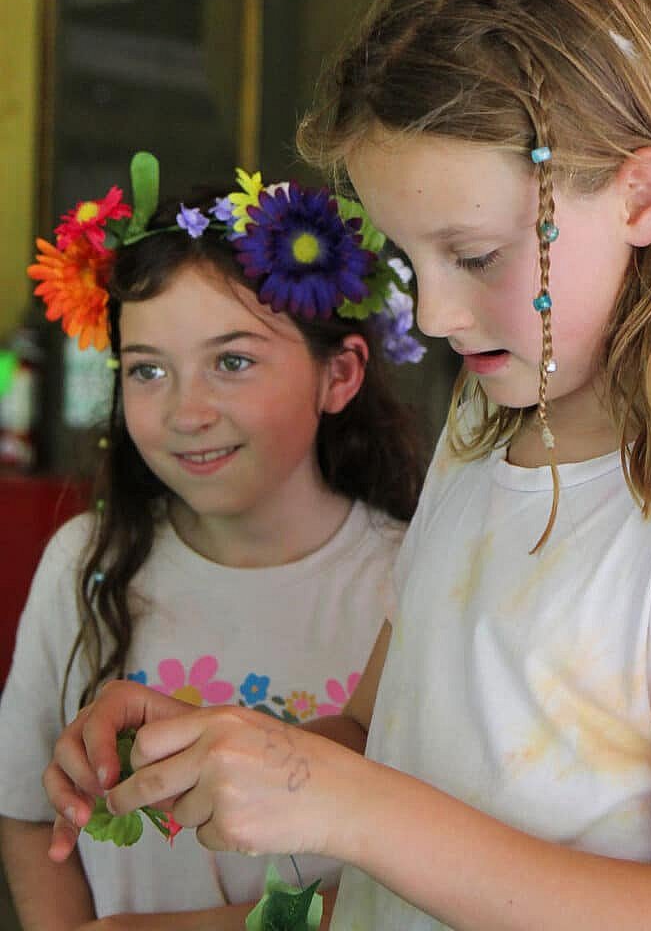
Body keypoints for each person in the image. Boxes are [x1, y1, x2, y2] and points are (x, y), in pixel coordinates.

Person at [43, 0, 651, 929]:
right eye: (408, 261)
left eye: (475, 256)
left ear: (642, 197)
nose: (433, 315)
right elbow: (384, 740)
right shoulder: (486, 429)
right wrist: (232, 747)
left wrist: (340, 800)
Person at [0, 155, 425, 929]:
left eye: (232, 362)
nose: (185, 412)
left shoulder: (412, 585)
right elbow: (29, 811)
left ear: (341, 374)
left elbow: (434, 877)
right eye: (147, 371)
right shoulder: (82, 564)